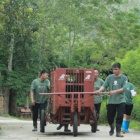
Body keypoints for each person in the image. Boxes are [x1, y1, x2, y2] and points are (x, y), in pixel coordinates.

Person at [95, 62, 127, 137]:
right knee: (110, 117)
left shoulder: (124, 78)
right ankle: (112, 127)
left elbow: (124, 88)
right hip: (111, 101)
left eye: (116, 69)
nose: (114, 71)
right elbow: (104, 85)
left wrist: (114, 91)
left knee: (120, 116)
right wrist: (99, 91)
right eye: (113, 69)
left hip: (121, 100)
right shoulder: (109, 77)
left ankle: (118, 132)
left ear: (120, 69)